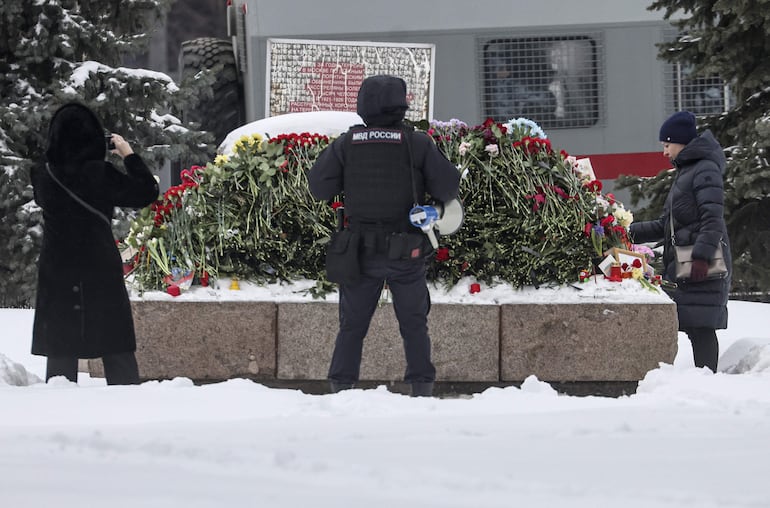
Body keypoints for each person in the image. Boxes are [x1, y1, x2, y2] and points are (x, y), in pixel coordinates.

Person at [308, 75, 460, 397]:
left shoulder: (347, 144)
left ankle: (341, 387)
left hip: (359, 252)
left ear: (363, 105)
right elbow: (448, 187)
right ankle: (421, 388)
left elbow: (320, 188)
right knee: (414, 325)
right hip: (407, 250)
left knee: (352, 326)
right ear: (401, 106)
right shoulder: (416, 144)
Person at [31, 102, 159, 384]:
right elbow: (146, 191)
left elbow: (46, 175)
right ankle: (126, 410)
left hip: (58, 268)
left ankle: (60, 414)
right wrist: (127, 154)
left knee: (61, 351)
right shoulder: (101, 174)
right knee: (115, 347)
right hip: (98, 267)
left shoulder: (43, 174)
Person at [630, 111, 731, 372]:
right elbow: (667, 225)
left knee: (702, 326)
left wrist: (702, 256)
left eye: (666, 144)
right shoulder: (688, 172)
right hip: (689, 259)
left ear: (681, 142)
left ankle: (707, 381)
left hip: (699, 261)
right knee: (695, 325)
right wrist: (626, 232)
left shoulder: (703, 170)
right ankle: (702, 379)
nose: (664, 152)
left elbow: (713, 218)